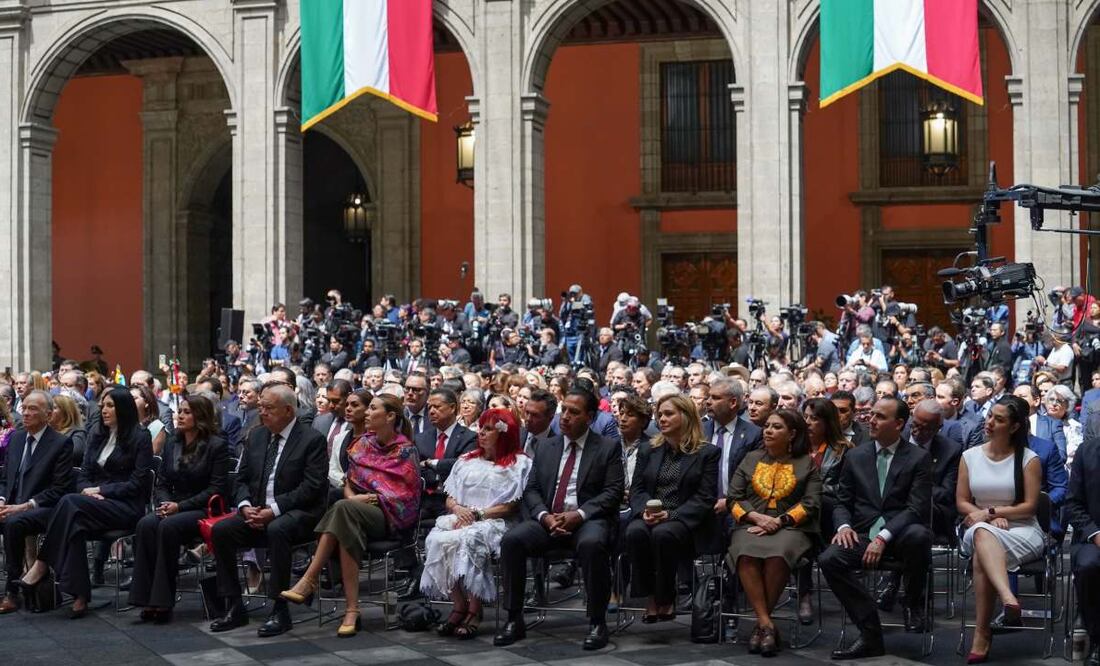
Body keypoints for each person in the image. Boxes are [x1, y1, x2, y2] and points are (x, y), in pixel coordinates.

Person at [494, 388, 624, 651]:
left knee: (592, 544)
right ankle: (514, 618)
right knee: (512, 540)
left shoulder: (607, 447)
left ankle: (597, 622)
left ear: (589, 417)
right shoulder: (546, 446)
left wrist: (579, 514)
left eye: (573, 412)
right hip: (548, 519)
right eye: (564, 410)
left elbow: (612, 493)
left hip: (587, 519)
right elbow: (531, 490)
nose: (565, 417)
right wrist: (544, 516)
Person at [280, 393, 420, 637]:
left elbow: (406, 497)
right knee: (346, 519)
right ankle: (351, 610)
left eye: (372, 408)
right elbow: (349, 481)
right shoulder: (363, 444)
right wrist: (352, 497)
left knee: (343, 511)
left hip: (387, 518)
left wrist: (376, 497)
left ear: (389, 416)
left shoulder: (405, 450)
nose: (366, 413)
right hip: (355, 511)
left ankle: (310, 579)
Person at [20, 387, 153, 617]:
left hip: (125, 506)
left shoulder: (141, 437)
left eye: (110, 405)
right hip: (91, 504)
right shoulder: (96, 434)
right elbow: (83, 475)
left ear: (123, 408)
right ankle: (80, 597)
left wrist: (101, 490)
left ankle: (42, 565)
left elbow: (137, 484)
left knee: (69, 503)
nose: (104, 410)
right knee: (74, 523)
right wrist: (88, 491)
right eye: (103, 405)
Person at [208, 384, 328, 638]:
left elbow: (311, 487)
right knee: (221, 530)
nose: (261, 411)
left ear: (287, 410)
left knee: (277, 529)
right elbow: (240, 479)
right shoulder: (257, 435)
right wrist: (245, 506)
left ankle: (279, 608)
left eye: (268, 407)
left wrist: (273, 510)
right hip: (257, 511)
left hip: (299, 513)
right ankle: (234, 605)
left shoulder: (311, 439)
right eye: (260, 406)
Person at [821, 396, 932, 659]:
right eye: (871, 414)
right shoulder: (856, 455)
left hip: (900, 535)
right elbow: (841, 501)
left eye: (880, 416)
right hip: (862, 532)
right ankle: (870, 631)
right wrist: (844, 526)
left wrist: (883, 537)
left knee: (919, 535)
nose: (871, 420)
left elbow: (916, 508)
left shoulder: (918, 458)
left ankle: (913, 600)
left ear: (899, 424)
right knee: (830, 558)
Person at [420, 408, 532, 639]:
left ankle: (475, 609)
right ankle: (458, 604)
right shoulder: (466, 460)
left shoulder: (518, 463)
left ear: (504, 433)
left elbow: (511, 505)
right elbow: (450, 496)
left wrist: (478, 515)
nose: (481, 432)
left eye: (489, 429)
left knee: (469, 538)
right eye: (481, 427)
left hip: (497, 521)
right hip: (464, 515)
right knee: (437, 538)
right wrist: (459, 509)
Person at [957, 395, 1045, 663]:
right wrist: (985, 517)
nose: (990, 423)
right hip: (981, 525)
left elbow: (1030, 507)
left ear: (1015, 427)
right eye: (990, 416)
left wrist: (993, 512)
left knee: (980, 556)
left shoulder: (1029, 459)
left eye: (999, 419)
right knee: (983, 534)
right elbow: (961, 501)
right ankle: (1008, 597)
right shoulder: (969, 456)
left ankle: (981, 634)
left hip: (1022, 529)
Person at [726, 409, 821, 656]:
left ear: (792, 434)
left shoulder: (806, 463)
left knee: (778, 555)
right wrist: (755, 516)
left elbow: (812, 503)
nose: (768, 430)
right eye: (767, 426)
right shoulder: (751, 458)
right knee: (746, 554)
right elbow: (733, 498)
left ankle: (761, 626)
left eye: (776, 427)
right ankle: (767, 625)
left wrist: (778, 521)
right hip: (750, 524)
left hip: (792, 527)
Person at [128, 395, 230, 622]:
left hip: (204, 508)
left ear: (200, 416)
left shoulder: (217, 445)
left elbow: (216, 489)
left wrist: (179, 507)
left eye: (186, 412)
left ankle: (162, 601)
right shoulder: (173, 442)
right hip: (174, 505)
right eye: (179, 411)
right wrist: (165, 503)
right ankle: (144, 598)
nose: (179, 416)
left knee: (168, 527)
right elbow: (162, 481)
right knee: (146, 524)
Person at [626, 395, 719, 623]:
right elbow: (636, 489)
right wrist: (643, 511)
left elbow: (704, 498)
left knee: (663, 533)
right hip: (651, 514)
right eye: (660, 414)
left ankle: (666, 598)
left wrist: (671, 514)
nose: (661, 419)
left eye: (668, 414)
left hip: (685, 518)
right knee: (634, 532)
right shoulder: (649, 449)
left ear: (685, 417)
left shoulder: (706, 453)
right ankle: (650, 597)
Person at [0, 391, 75, 613]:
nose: (27, 412)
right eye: (25, 407)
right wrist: (2, 500)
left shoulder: (61, 443)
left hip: (44, 508)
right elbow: (5, 478)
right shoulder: (16, 438)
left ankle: (12, 592)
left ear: (48, 414)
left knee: (15, 523)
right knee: (12, 518)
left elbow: (59, 490)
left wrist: (25, 505)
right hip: (13, 504)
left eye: (34, 409)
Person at [796, 397, 854, 622]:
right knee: (803, 527)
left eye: (815, 419)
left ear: (827, 422)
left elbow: (846, 489)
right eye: (806, 417)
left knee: (810, 515)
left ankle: (805, 595)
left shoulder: (843, 450)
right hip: (802, 514)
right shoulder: (795, 448)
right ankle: (804, 593)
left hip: (832, 511)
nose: (808, 422)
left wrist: (813, 490)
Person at [1066, 434, 1100, 666]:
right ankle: (1098, 639)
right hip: (1093, 536)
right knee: (1089, 566)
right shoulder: (1086, 452)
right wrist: (1096, 534)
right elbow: (1073, 503)